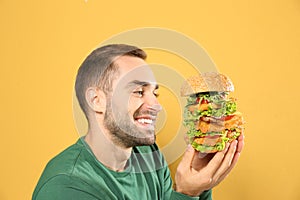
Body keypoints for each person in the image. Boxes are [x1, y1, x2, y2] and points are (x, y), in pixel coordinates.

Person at [32, 44, 244, 200]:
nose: (156, 105)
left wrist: (198, 186)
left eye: (155, 93)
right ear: (97, 100)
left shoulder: (148, 155)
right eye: (138, 91)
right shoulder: (66, 187)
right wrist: (186, 193)